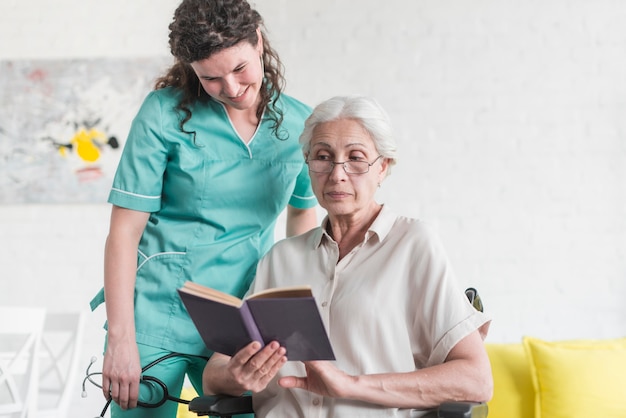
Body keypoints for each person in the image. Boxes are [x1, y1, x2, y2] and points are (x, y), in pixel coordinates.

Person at [88, 0, 318, 416]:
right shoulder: (163, 114)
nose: (230, 88)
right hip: (158, 313)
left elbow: (302, 218)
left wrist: (295, 315)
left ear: (259, 41)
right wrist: (122, 340)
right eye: (210, 78)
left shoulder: (300, 124)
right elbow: (124, 233)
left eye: (240, 68)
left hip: (245, 320)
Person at [201, 95, 493, 417]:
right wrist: (235, 374)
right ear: (309, 165)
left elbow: (476, 381)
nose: (337, 173)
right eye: (323, 157)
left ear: (383, 167)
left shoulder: (413, 244)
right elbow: (214, 373)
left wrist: (349, 384)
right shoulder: (282, 258)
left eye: (356, 158)